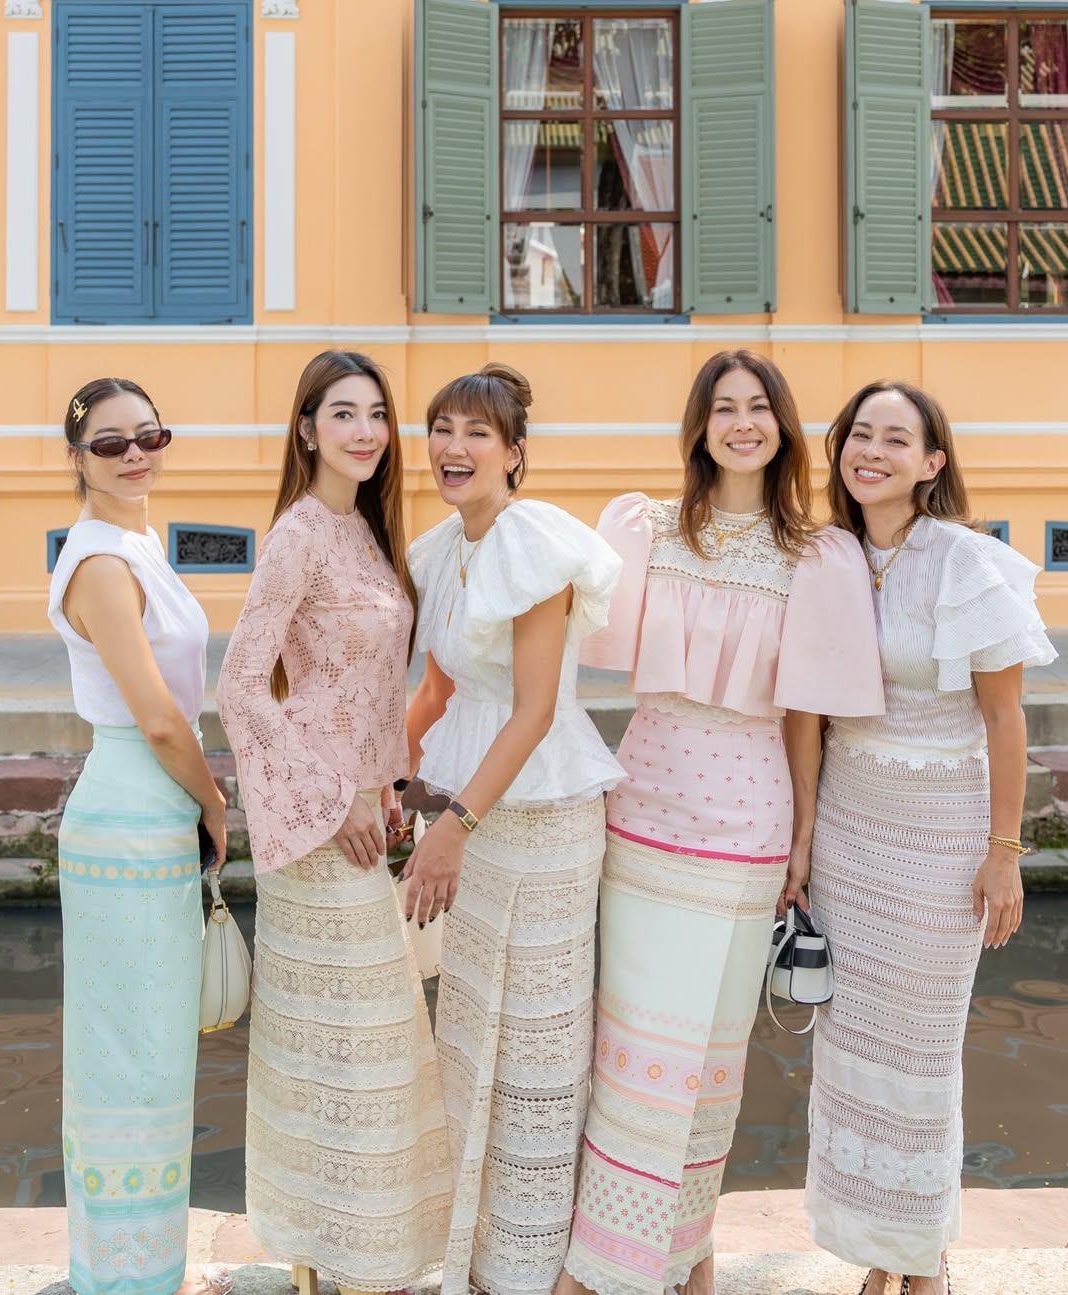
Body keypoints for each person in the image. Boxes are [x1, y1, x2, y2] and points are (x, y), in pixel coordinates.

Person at [557, 350, 885, 1295]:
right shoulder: (646, 529)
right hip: (644, 810)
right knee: (629, 1048)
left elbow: (805, 717)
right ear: (700, 427)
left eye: (759, 407)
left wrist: (804, 841)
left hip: (749, 822)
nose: (743, 423)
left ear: (782, 424)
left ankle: (688, 1254)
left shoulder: (817, 556)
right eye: (724, 408)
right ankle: (602, 1264)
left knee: (707, 1057)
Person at [803, 381, 1055, 1295]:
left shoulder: (964, 561)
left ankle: (920, 1257)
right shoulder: (826, 554)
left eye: (895, 439)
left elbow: (1005, 717)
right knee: (853, 1047)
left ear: (931, 462)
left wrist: (1004, 851)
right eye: (859, 435)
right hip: (848, 831)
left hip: (941, 838)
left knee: (920, 1050)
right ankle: (884, 1250)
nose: (871, 451)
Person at [216, 351, 451, 1295]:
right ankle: (335, 1260)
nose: (365, 431)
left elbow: (374, 684)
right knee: (340, 1044)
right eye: (343, 413)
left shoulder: (367, 532)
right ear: (307, 427)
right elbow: (240, 685)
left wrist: (387, 781)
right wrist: (332, 796)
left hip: (360, 814)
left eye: (377, 414)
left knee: (367, 1043)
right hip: (316, 827)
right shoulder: (299, 535)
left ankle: (356, 1257)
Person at [402, 363, 625, 1295]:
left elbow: (533, 710)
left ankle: (532, 1264)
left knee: (535, 1041)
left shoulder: (534, 544)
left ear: (514, 453)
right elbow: (440, 688)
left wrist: (452, 824)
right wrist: (393, 774)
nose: (453, 447)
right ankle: (472, 1255)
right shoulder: (440, 549)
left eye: (477, 433)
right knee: (467, 1030)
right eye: (442, 428)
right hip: (470, 809)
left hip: (538, 816)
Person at [49, 378, 230, 1295]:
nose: (133, 455)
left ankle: (140, 1266)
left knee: (151, 1049)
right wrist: (215, 803)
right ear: (76, 457)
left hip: (145, 810)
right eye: (110, 442)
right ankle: (125, 1277)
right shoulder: (99, 563)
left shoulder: (135, 544)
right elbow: (158, 719)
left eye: (148, 436)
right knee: (131, 1055)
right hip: (133, 809)